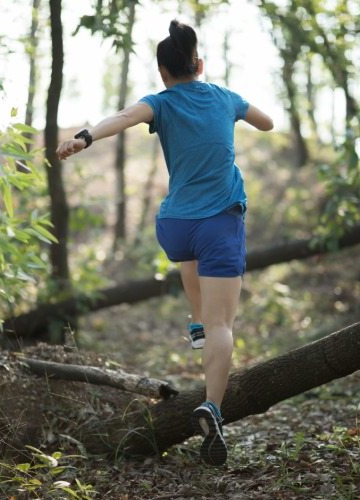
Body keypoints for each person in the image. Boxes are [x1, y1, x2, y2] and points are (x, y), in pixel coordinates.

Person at [57, 19, 274, 466]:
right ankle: (212, 406)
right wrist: (237, 110)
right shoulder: (224, 97)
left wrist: (84, 137)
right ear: (199, 64)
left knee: (193, 274)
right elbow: (268, 124)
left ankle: (195, 322)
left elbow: (121, 118)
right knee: (223, 326)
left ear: (163, 72)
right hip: (219, 222)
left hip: (174, 224)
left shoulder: (159, 102)